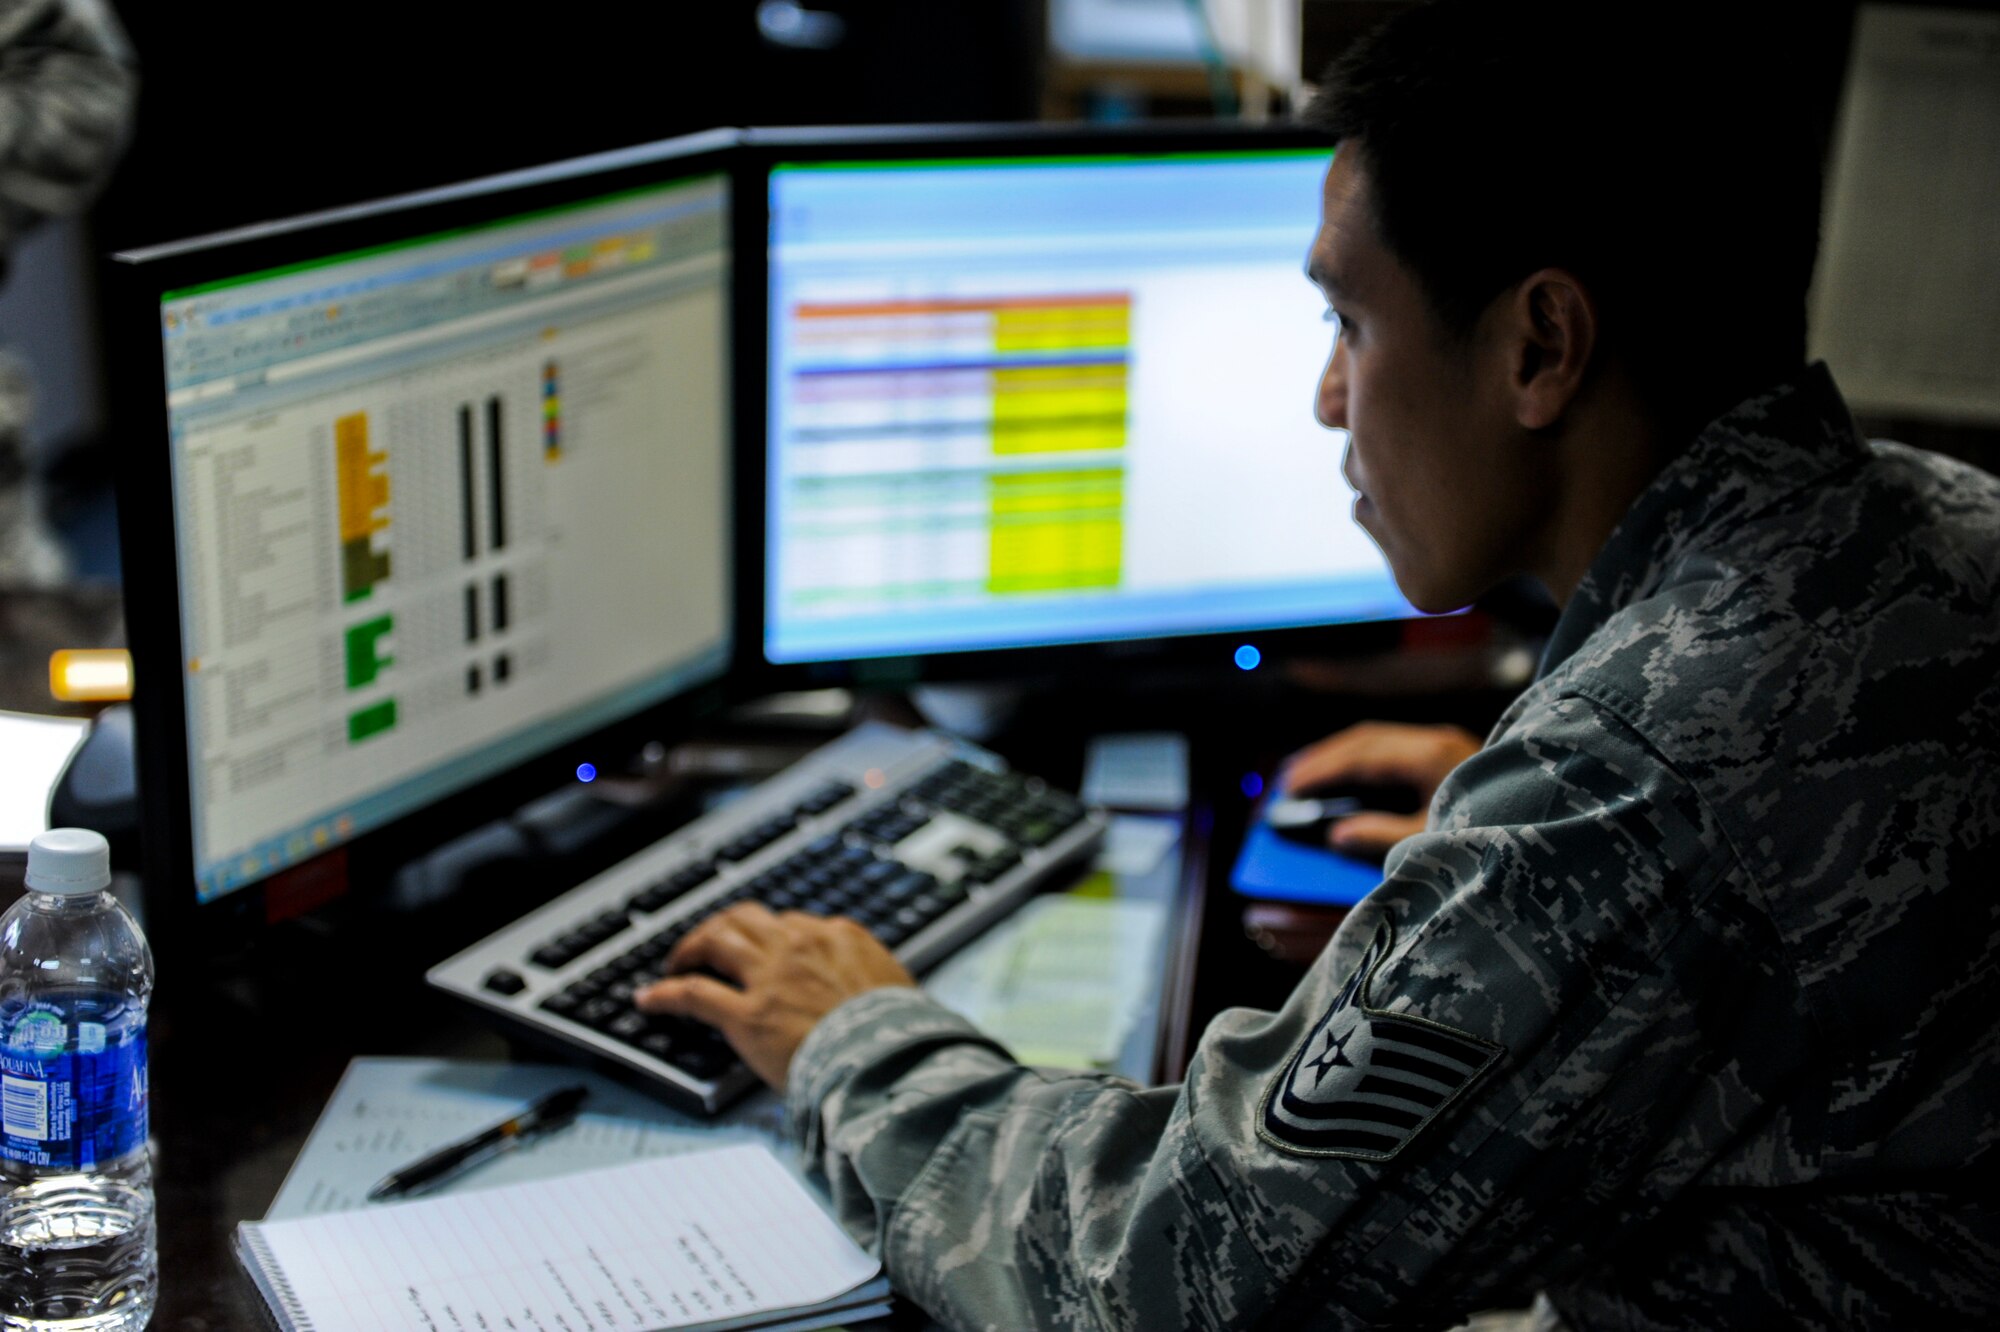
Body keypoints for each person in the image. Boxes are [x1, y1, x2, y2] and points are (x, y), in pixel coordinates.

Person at [637, 3, 2000, 1326]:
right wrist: (1509, 823)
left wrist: (858, 1035)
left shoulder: (1644, 789)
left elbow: (1162, 1279)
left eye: (1349, 322)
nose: (1327, 398)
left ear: (1541, 346)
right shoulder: (1930, 521)